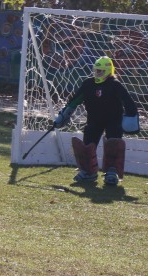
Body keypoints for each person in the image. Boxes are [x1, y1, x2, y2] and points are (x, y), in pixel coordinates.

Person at [53, 56, 140, 186]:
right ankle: (88, 172)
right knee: (87, 144)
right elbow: (75, 100)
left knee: (113, 144)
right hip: (94, 120)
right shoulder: (88, 84)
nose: (97, 73)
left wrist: (131, 117)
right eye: (96, 70)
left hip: (113, 120)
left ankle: (112, 172)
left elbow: (128, 102)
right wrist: (64, 114)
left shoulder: (115, 85)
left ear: (108, 71)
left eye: (100, 71)